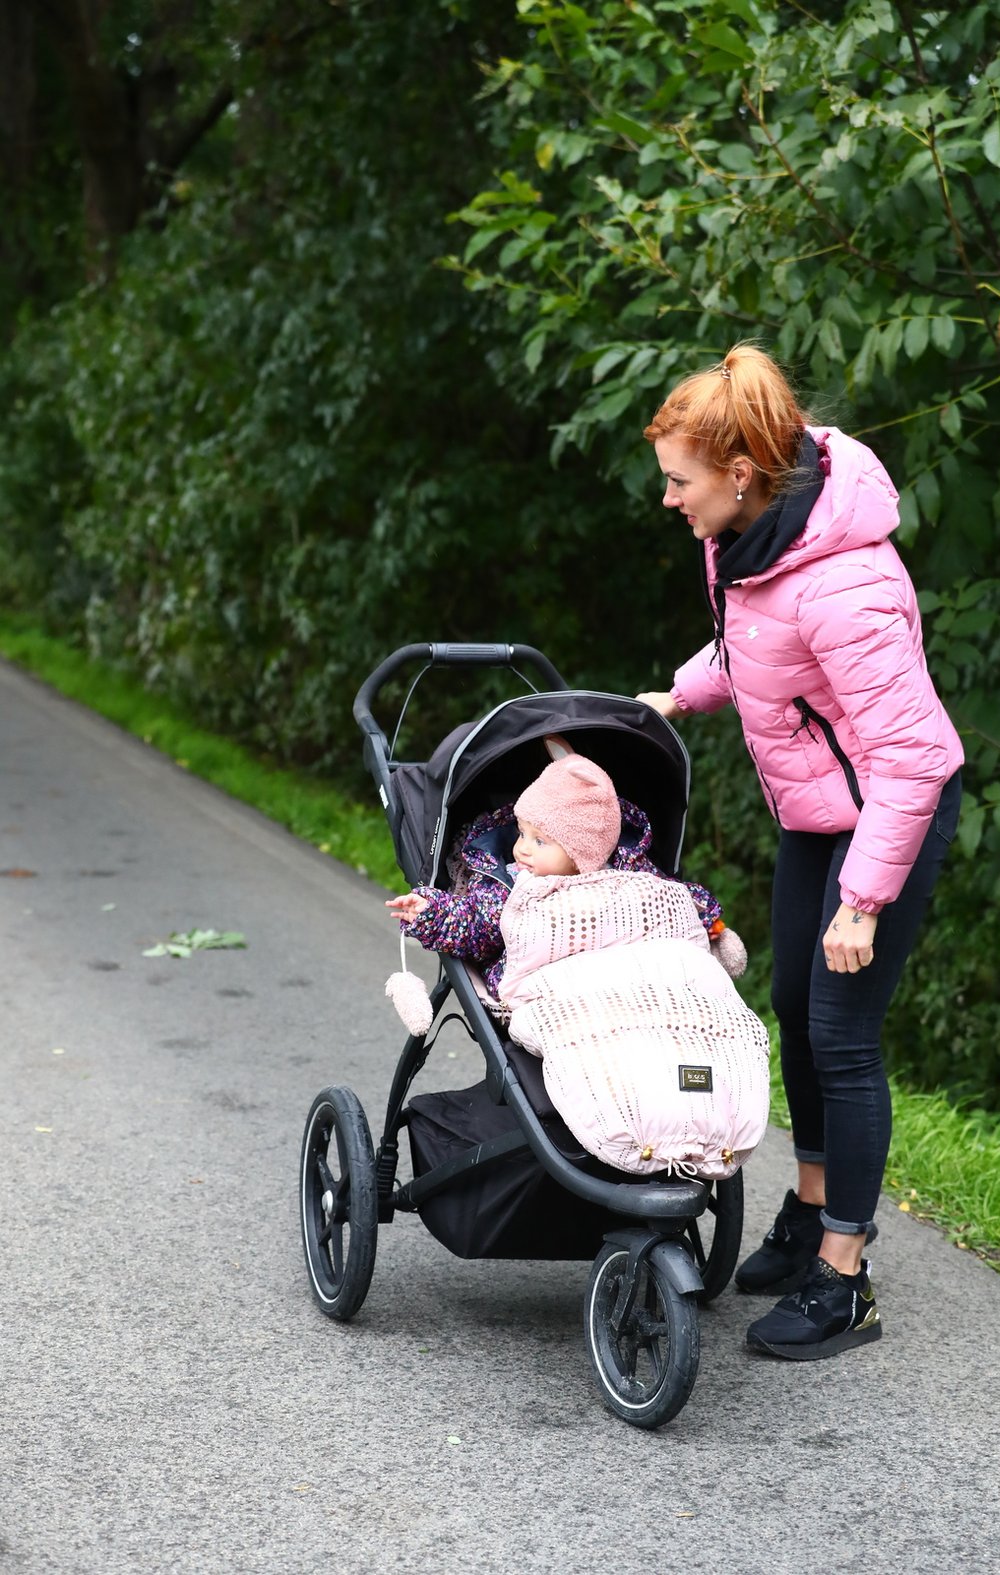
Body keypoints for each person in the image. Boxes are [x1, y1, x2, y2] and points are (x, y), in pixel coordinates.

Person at [636, 342, 963, 1361]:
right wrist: (677, 695)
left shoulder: (846, 585)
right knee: (790, 1006)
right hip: (823, 815)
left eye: (678, 482)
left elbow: (914, 759)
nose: (668, 501)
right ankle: (811, 1206)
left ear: (739, 474)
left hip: (890, 819)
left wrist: (863, 903)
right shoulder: (751, 541)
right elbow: (755, 653)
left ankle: (844, 1275)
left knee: (843, 1032)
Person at [387, 750, 746, 1000]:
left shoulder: (623, 873)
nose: (522, 848)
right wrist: (431, 912)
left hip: (624, 980)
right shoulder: (513, 883)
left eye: (540, 841)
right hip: (548, 985)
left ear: (583, 852)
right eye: (522, 833)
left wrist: (713, 926)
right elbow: (477, 922)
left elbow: (671, 897)